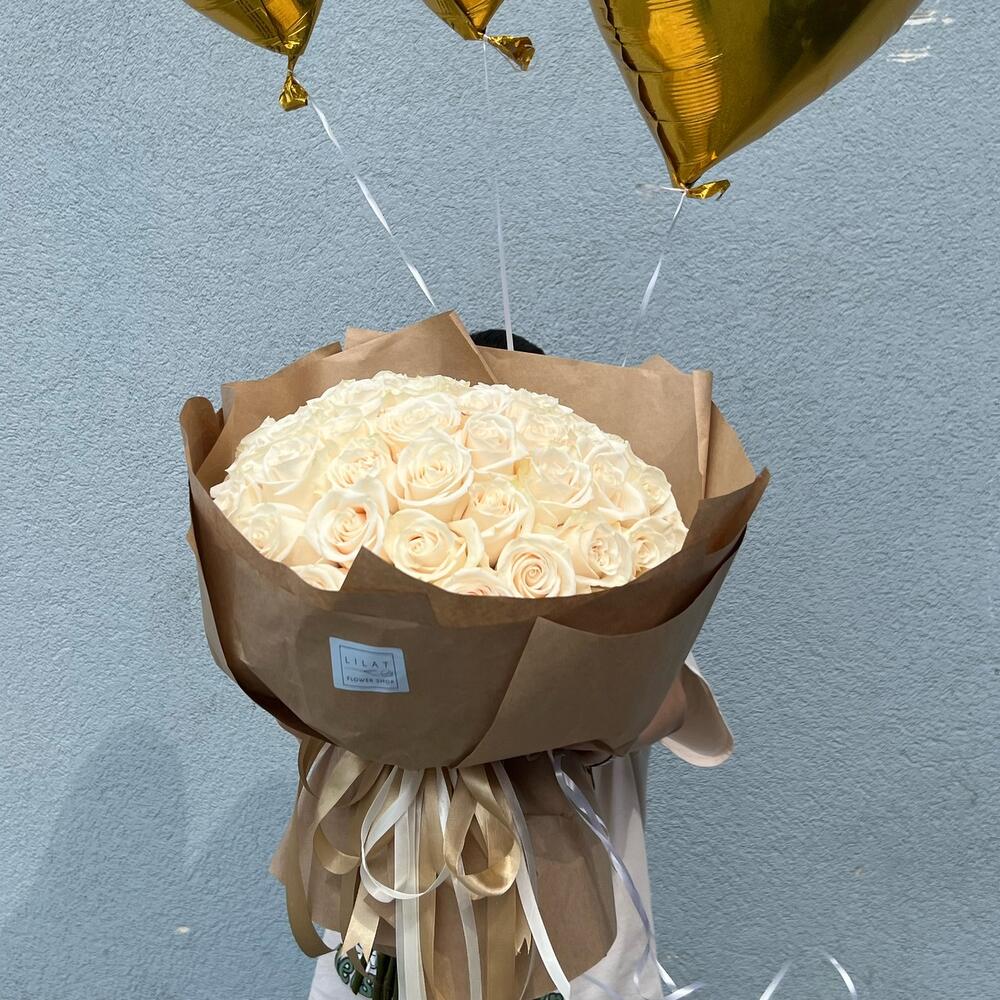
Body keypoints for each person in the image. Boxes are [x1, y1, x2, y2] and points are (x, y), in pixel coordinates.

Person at [308, 330, 734, 1000]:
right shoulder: (362, 601)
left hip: (575, 960)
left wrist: (530, 690)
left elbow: (674, 706)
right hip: (387, 936)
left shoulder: (617, 583)